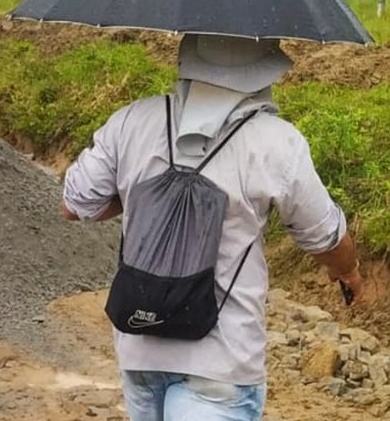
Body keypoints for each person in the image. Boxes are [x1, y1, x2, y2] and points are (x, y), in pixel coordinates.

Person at [61, 34, 363, 421]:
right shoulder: (276, 143)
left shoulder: (132, 121)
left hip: (140, 347)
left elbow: (76, 204)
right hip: (222, 360)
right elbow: (325, 237)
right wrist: (348, 271)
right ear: (263, 72)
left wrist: (139, 193)